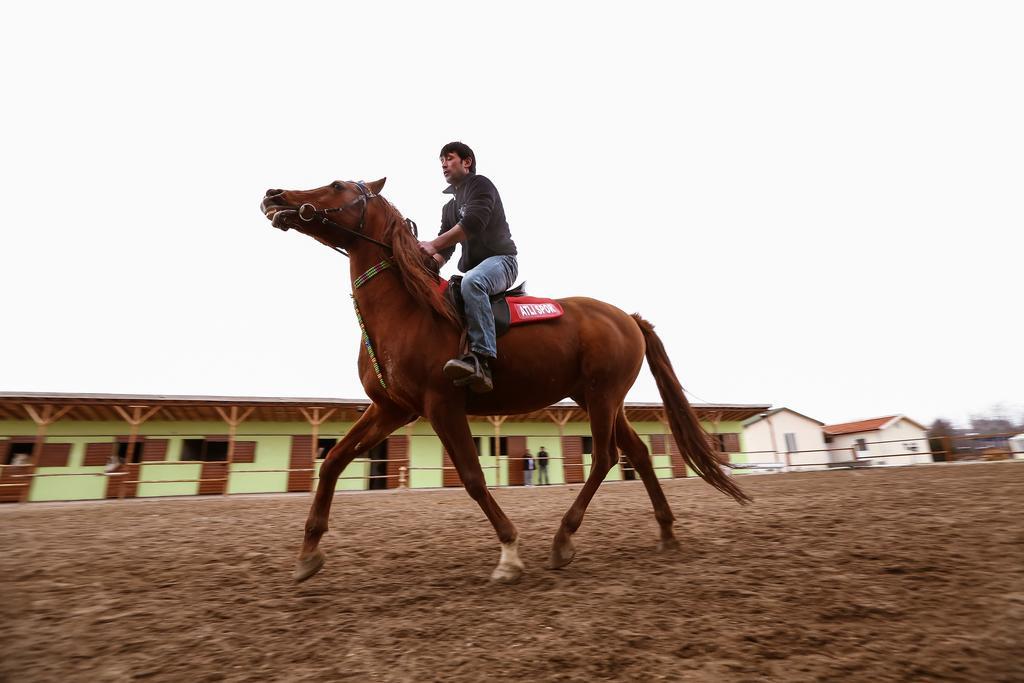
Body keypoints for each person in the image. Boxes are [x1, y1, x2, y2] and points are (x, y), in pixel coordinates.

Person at [419, 142, 518, 393]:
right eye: (441, 160)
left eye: (449, 158)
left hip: (502, 262)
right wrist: (428, 264)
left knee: (472, 282)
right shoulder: (449, 208)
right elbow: (445, 249)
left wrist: (431, 245)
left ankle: (481, 361)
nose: (443, 164)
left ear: (467, 162)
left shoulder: (480, 185)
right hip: (475, 268)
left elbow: (473, 223)